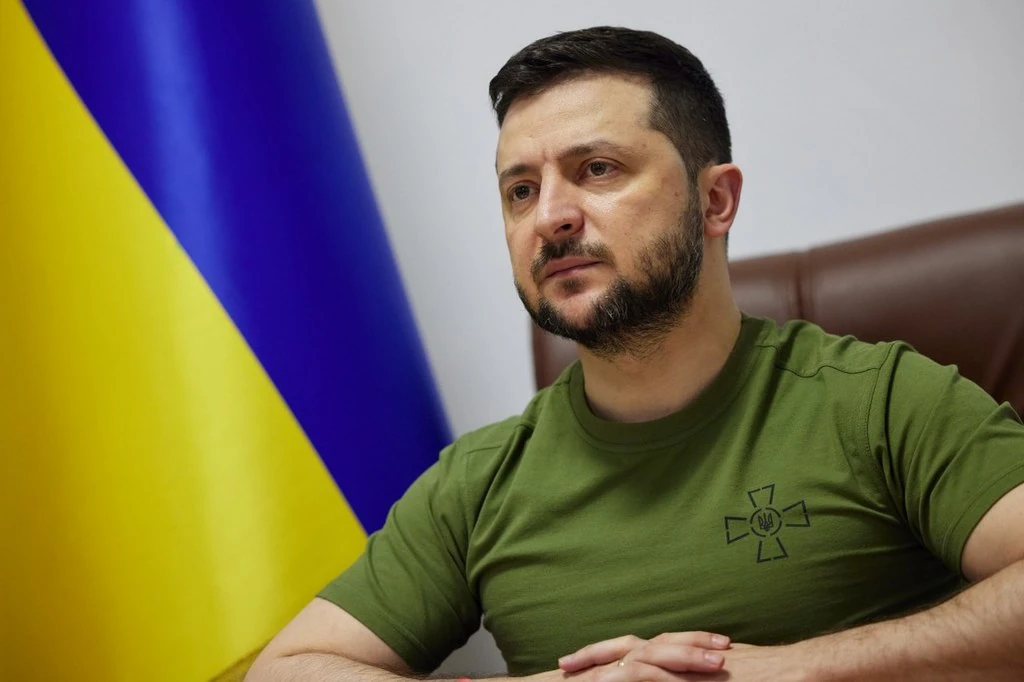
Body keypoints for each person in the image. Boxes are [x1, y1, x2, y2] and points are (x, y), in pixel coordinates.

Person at [247, 26, 1024, 681]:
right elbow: (284, 670)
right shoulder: (480, 483)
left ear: (714, 200)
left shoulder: (878, 400)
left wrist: (792, 668)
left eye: (597, 169)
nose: (549, 215)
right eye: (520, 190)